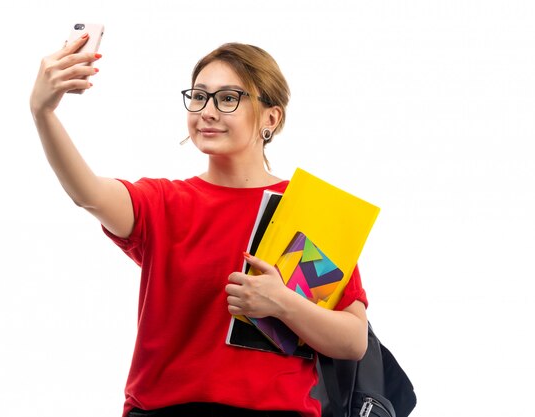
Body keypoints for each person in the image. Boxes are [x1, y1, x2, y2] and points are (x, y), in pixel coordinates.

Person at [30, 37, 369, 417]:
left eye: (228, 98)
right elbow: (88, 193)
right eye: (199, 96)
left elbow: (353, 341)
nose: (207, 111)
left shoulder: (309, 212)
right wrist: (44, 113)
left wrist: (283, 303)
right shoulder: (163, 203)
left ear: (271, 119)